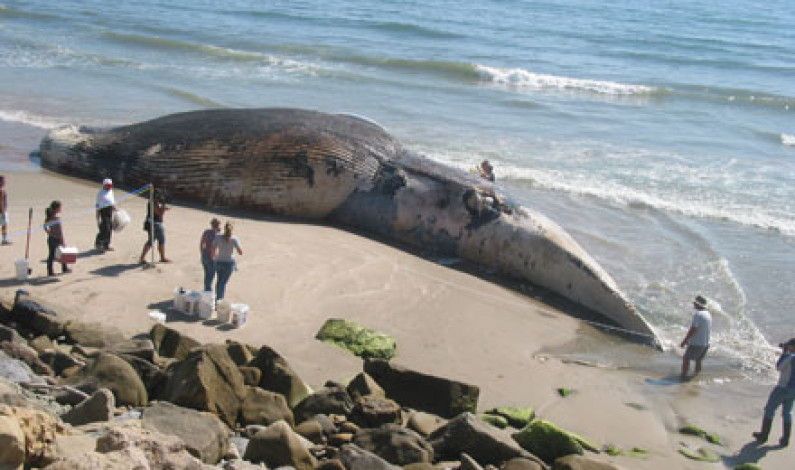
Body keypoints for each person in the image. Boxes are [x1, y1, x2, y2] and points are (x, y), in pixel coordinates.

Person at [752, 338, 795, 446]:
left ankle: (764, 435)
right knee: (787, 413)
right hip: (793, 390)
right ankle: (785, 439)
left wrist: (784, 353)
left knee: (769, 409)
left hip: (782, 388)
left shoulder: (789, 357)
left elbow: (778, 367)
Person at [680, 295, 712, 378]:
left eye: (695, 302)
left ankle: (683, 376)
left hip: (696, 344)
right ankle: (696, 377)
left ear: (698, 304)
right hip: (705, 343)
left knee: (686, 358)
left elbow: (693, 329)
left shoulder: (698, 315)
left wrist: (685, 341)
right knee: (698, 360)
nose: (693, 303)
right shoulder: (708, 314)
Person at [212, 221, 243, 301]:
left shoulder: (218, 237)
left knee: (219, 280)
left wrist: (214, 257)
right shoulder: (234, 239)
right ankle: (219, 299)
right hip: (229, 263)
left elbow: (213, 249)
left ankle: (217, 297)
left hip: (219, 261)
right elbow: (240, 252)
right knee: (223, 282)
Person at [139, 191, 170, 263]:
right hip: (155, 224)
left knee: (152, 241)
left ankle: (142, 257)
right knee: (159, 240)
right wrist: (163, 208)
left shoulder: (154, 202)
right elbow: (159, 213)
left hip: (154, 223)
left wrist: (163, 207)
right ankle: (162, 258)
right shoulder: (153, 203)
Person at [43, 200, 69, 276]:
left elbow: (44, 226)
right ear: (56, 208)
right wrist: (63, 241)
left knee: (52, 255)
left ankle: (51, 271)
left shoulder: (49, 218)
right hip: (57, 239)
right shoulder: (57, 219)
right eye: (60, 207)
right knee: (60, 254)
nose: (61, 209)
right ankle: (64, 268)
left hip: (51, 238)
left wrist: (49, 232)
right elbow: (60, 232)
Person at [95, 178, 116, 252]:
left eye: (110, 186)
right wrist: (97, 217)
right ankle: (98, 244)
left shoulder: (111, 191)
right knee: (105, 229)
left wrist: (115, 208)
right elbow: (97, 206)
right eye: (108, 186)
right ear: (104, 185)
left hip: (109, 211)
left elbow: (112, 201)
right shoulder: (100, 194)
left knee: (109, 228)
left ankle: (106, 245)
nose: (110, 187)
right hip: (103, 212)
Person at [199, 218, 221, 291]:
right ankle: (208, 290)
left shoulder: (206, 232)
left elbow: (202, 243)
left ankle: (206, 289)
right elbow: (216, 247)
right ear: (218, 225)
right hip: (212, 256)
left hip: (204, 255)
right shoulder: (218, 235)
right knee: (211, 274)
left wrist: (202, 253)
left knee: (207, 273)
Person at [0, 175, 9, 244]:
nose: (5, 182)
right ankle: (4, 239)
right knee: (4, 225)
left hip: (2, 210)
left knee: (4, 225)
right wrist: (3, 212)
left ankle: (4, 239)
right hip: (1, 211)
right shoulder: (1, 190)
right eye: (3, 181)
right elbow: (1, 201)